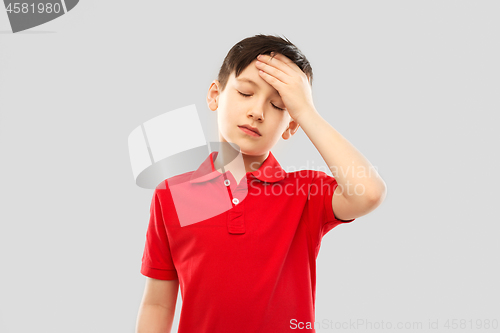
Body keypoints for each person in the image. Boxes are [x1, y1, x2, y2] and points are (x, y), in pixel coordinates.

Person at [135, 34, 387, 333]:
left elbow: (369, 193)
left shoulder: (305, 192)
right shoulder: (173, 195)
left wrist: (306, 110)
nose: (257, 112)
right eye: (245, 93)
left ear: (292, 125)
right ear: (215, 94)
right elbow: (158, 303)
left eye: (278, 105)